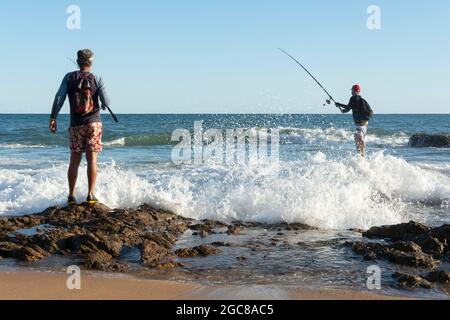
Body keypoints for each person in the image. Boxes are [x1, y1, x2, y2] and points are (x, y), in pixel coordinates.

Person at [49, 49, 111, 205]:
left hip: (76, 125)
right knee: (92, 160)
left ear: (78, 62)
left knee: (74, 160)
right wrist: (103, 104)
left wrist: (53, 117)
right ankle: (90, 195)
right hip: (94, 124)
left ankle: (71, 196)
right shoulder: (97, 78)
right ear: (91, 62)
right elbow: (107, 101)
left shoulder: (69, 77)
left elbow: (59, 98)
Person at [335, 85, 373, 156]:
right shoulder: (362, 100)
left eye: (352, 90)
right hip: (365, 124)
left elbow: (347, 108)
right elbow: (370, 112)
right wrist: (340, 106)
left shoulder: (353, 98)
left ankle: (361, 157)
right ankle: (362, 156)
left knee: (357, 140)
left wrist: (339, 106)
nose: (351, 92)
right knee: (360, 140)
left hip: (359, 125)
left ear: (353, 91)